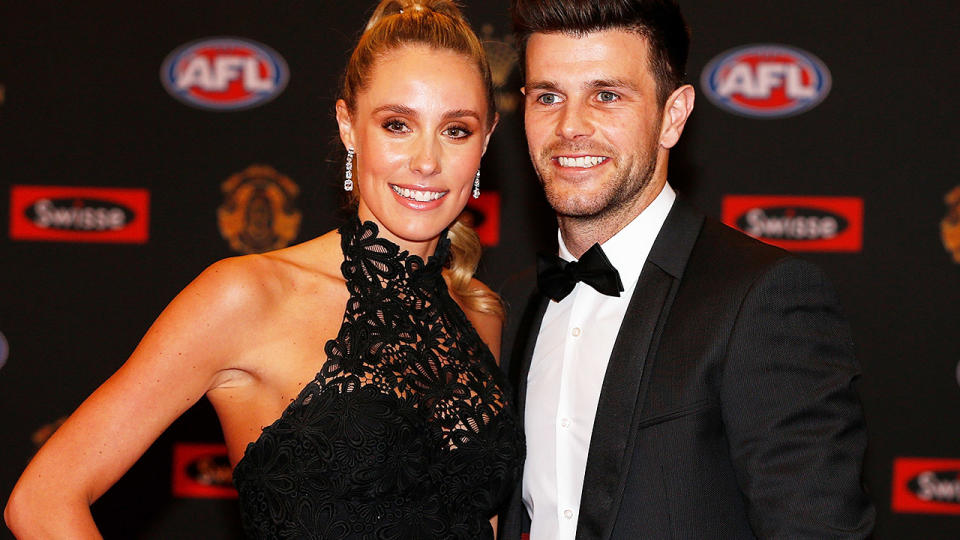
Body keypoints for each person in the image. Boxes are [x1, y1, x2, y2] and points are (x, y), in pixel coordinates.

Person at [4, 1, 523, 537]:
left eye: (456, 131)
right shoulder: (248, 296)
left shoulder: (477, 313)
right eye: (397, 124)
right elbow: (43, 500)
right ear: (348, 126)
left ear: (485, 141)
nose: (426, 161)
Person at [497, 0, 875, 538]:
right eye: (548, 96)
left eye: (606, 95)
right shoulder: (516, 305)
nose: (570, 126)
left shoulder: (762, 298)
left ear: (672, 116)